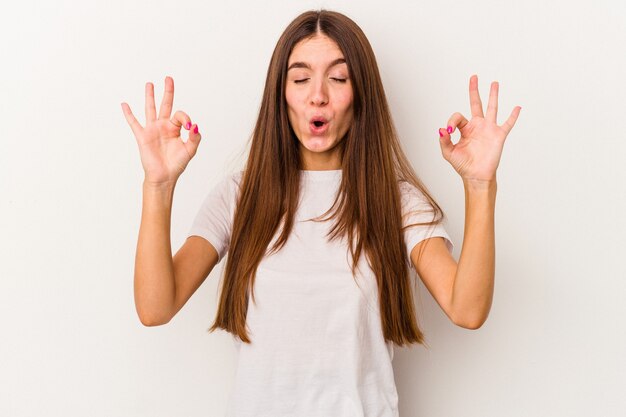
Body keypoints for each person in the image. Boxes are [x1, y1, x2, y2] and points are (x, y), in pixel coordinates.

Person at [121, 9, 520, 417]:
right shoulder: (241, 196)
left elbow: (467, 309)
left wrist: (480, 185)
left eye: (339, 78)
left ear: (361, 93)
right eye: (300, 78)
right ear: (281, 95)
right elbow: (156, 307)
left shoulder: (396, 201)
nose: (318, 95)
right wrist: (158, 185)